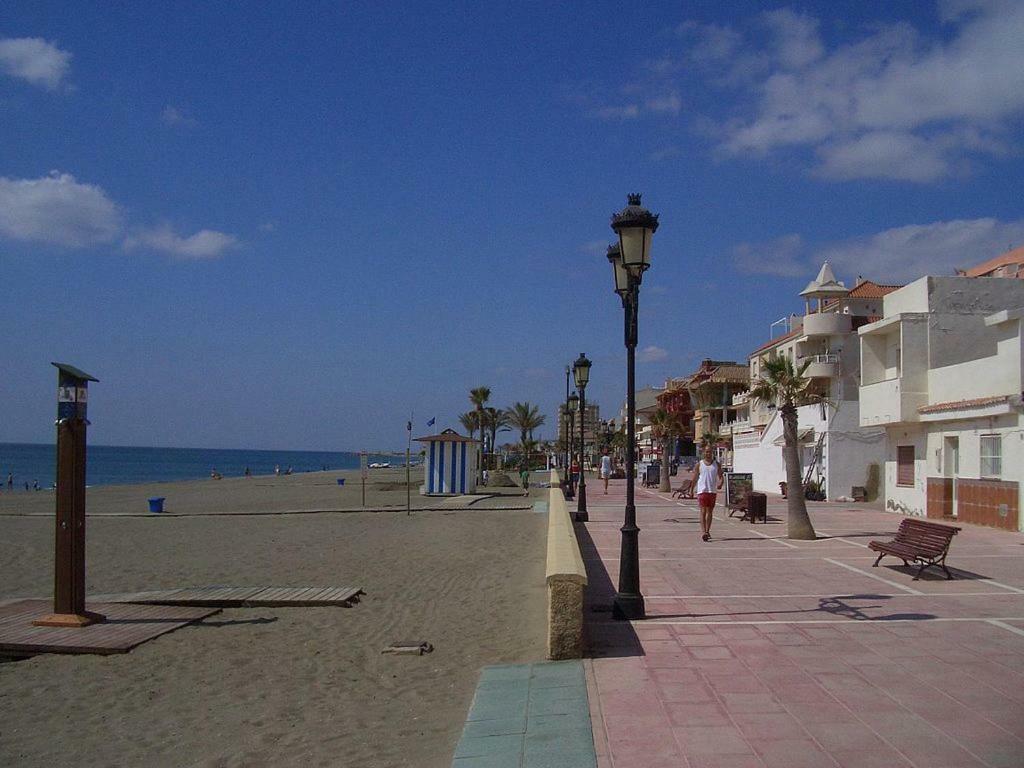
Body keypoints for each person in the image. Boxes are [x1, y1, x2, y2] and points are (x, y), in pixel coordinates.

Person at [691, 446, 723, 542]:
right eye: (706, 452)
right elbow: (695, 478)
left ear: (712, 453)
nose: (708, 454)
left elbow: (721, 476)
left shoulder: (716, 464)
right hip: (702, 491)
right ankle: (703, 532)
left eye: (710, 452)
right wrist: (691, 489)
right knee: (703, 511)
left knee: (710, 512)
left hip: (712, 491)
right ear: (703, 453)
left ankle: (708, 531)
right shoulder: (699, 464)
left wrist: (720, 483)